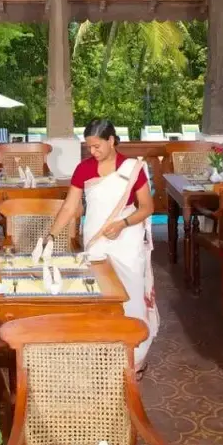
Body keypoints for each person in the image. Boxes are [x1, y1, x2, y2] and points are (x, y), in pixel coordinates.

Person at [45, 118, 159, 369]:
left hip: (126, 240)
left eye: (97, 146)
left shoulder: (132, 168)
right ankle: (104, 353)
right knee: (98, 294)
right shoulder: (83, 169)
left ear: (111, 141)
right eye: (89, 147)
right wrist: (50, 236)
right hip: (96, 239)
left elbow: (147, 207)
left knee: (130, 295)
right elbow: (70, 207)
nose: (93, 151)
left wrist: (122, 224)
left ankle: (135, 358)